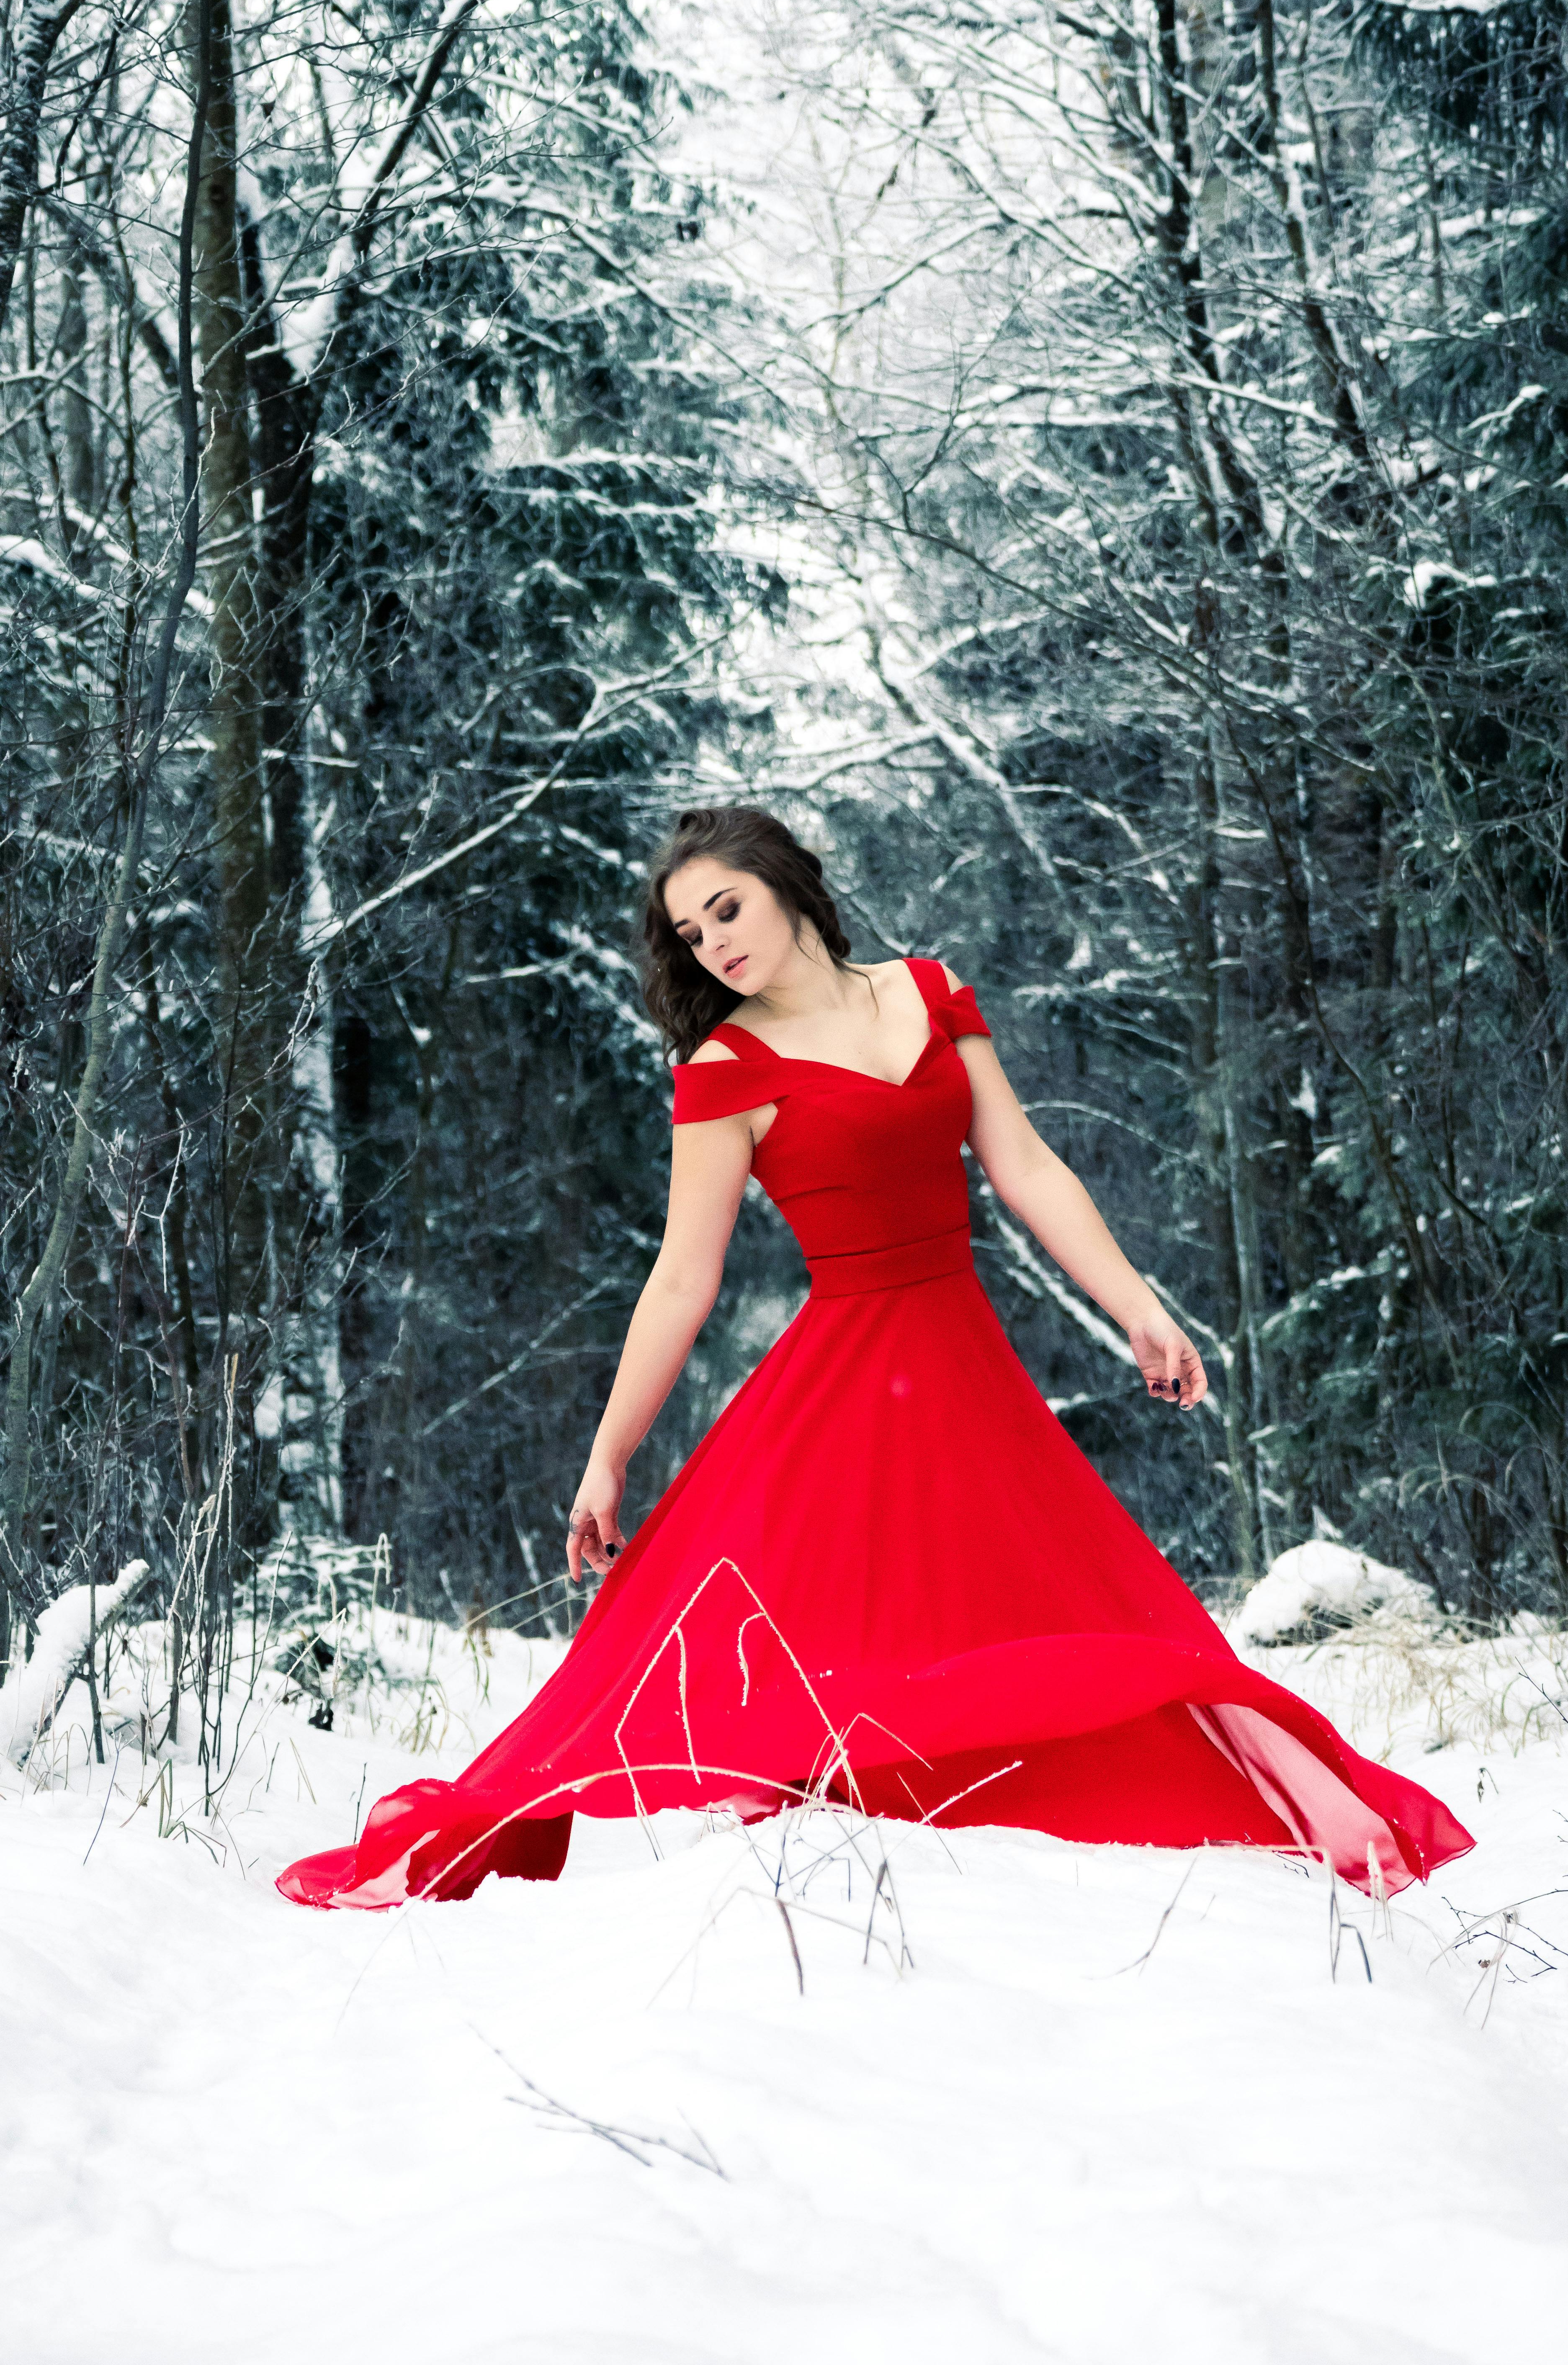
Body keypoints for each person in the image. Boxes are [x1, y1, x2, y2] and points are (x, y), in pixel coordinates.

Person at [278, 807, 1471, 1909]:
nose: (714, 945)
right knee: (796, 1630)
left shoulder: (931, 991)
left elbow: (1026, 1165)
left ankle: (1022, 1801)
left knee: (1038, 1594)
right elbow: (682, 1280)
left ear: (791, 885)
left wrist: (1136, 1307)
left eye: (728, 909)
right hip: (848, 1368)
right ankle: (853, 1822)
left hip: (962, 1352)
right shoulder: (722, 1072)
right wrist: (609, 1458)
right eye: (690, 934)